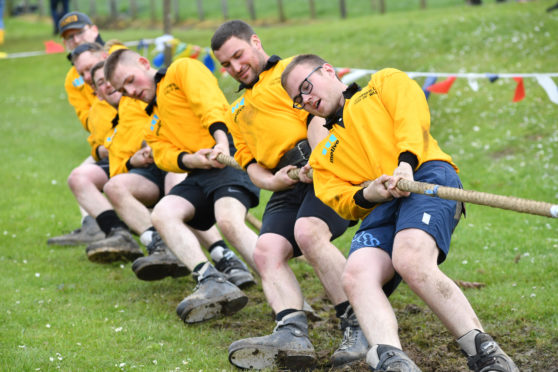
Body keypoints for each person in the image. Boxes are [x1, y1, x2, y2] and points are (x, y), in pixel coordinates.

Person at [280, 54, 519, 372]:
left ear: (327, 70)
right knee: (355, 274)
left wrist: (405, 162)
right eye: (299, 99)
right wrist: (369, 193)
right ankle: (392, 360)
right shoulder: (324, 153)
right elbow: (338, 198)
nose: (306, 99)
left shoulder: (381, 83)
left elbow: (412, 116)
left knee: (410, 260)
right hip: (380, 205)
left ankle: (486, 353)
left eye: (306, 87)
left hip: (426, 176)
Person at [210, 20, 389, 370]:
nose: (235, 67)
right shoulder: (235, 110)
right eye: (226, 64)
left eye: (238, 55)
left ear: (255, 42)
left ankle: (359, 323)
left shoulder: (290, 73)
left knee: (308, 232)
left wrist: (317, 157)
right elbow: (250, 165)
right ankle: (291, 330)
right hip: (286, 180)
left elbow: (322, 112)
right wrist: (273, 181)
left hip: (327, 164)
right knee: (266, 250)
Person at [104, 48, 260, 323]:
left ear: (143, 63)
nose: (130, 91)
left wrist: (221, 143)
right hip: (200, 170)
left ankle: (292, 304)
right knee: (163, 213)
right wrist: (192, 160)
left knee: (229, 222)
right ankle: (210, 279)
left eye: (130, 81)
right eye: (122, 90)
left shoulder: (181, 70)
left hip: (230, 152)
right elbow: (163, 153)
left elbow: (209, 104)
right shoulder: (153, 118)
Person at [64, 42, 143, 263]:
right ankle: (118, 233)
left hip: (151, 160)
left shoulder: (134, 89)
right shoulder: (97, 106)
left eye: (90, 69)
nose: (86, 77)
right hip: (119, 161)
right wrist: (100, 151)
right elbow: (97, 141)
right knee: (79, 176)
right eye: (82, 73)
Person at [48, 11, 106, 246]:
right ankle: (93, 226)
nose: (76, 40)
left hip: (139, 134)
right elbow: (87, 121)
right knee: (81, 173)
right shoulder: (73, 78)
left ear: (94, 30)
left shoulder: (117, 55)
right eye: (69, 37)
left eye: (80, 32)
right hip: (106, 140)